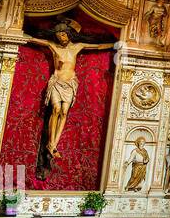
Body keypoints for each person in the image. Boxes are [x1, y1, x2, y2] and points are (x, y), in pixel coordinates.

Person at [22, 20, 118, 161]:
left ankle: (53, 144)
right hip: (57, 81)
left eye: (64, 35)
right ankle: (50, 143)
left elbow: (97, 46)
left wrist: (115, 44)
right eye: (59, 35)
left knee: (64, 112)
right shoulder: (53, 46)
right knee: (55, 109)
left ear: (68, 34)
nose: (62, 37)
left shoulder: (77, 47)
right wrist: (19, 33)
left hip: (70, 84)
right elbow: (35, 40)